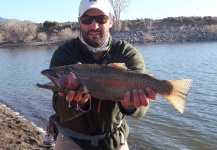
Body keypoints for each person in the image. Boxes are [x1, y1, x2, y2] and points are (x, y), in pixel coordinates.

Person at [48, 0, 156, 149]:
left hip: (115, 140)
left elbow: (141, 112)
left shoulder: (127, 53)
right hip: (72, 139)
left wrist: (132, 106)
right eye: (87, 20)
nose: (94, 26)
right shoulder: (64, 54)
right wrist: (77, 103)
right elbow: (60, 110)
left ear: (111, 21)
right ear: (79, 22)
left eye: (101, 19)